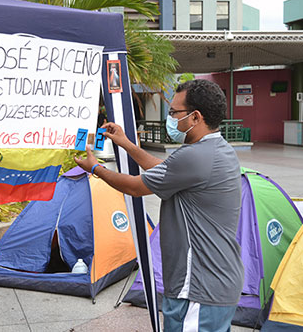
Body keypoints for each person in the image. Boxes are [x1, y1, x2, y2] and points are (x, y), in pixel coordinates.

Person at [74, 79, 244, 331]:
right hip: (213, 283)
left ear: (195, 117)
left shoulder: (196, 156)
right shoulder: (218, 149)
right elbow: (164, 170)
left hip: (198, 288)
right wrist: (127, 144)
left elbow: (134, 187)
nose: (171, 118)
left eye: (175, 112)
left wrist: (95, 168)